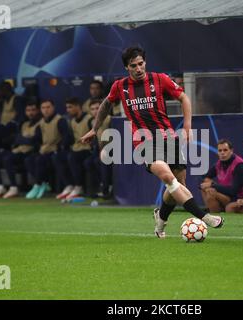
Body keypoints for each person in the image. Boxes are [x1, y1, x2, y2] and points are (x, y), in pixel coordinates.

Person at [81, 46, 224, 238]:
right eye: (134, 66)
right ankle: (204, 216)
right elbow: (107, 103)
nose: (139, 69)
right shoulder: (119, 86)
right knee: (167, 177)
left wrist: (188, 126)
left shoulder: (160, 79)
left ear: (145, 63)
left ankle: (160, 219)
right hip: (143, 142)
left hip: (169, 138)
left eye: (141, 64)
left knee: (178, 185)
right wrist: (94, 128)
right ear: (127, 67)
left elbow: (183, 97)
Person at [0, 99, 42, 198]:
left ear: (38, 111)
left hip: (30, 152)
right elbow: (17, 139)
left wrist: (23, 139)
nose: (30, 113)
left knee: (8, 159)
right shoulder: (24, 124)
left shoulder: (41, 124)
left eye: (33, 110)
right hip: (19, 150)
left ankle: (14, 188)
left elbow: (34, 141)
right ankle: (0, 187)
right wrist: (24, 139)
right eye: (28, 110)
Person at [25, 99, 71, 199]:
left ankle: (38, 184)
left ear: (53, 108)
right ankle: (43, 183)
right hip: (45, 150)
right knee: (29, 159)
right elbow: (37, 139)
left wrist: (58, 148)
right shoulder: (41, 123)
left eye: (48, 107)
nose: (46, 110)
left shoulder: (60, 120)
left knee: (41, 160)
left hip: (56, 150)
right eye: (43, 108)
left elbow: (66, 137)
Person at [55, 97, 93, 200]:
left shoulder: (89, 119)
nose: (68, 110)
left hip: (87, 149)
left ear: (78, 106)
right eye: (67, 107)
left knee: (73, 157)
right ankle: (69, 185)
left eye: (70, 107)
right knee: (58, 157)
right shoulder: (72, 121)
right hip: (76, 148)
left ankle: (78, 186)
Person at [200, 139, 243, 213]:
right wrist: (207, 181)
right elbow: (203, 178)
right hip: (226, 195)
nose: (222, 153)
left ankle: (215, 217)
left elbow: (233, 191)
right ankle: (212, 212)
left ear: (231, 151)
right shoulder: (219, 164)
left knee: (211, 192)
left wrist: (212, 185)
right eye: (220, 150)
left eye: (225, 150)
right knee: (205, 188)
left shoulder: (240, 166)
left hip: (239, 198)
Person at [83, 99, 113, 198]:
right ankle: (93, 189)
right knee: (88, 162)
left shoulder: (110, 119)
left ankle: (107, 188)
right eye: (92, 109)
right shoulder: (91, 122)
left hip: (112, 150)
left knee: (101, 160)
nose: (95, 111)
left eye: (97, 108)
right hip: (98, 150)